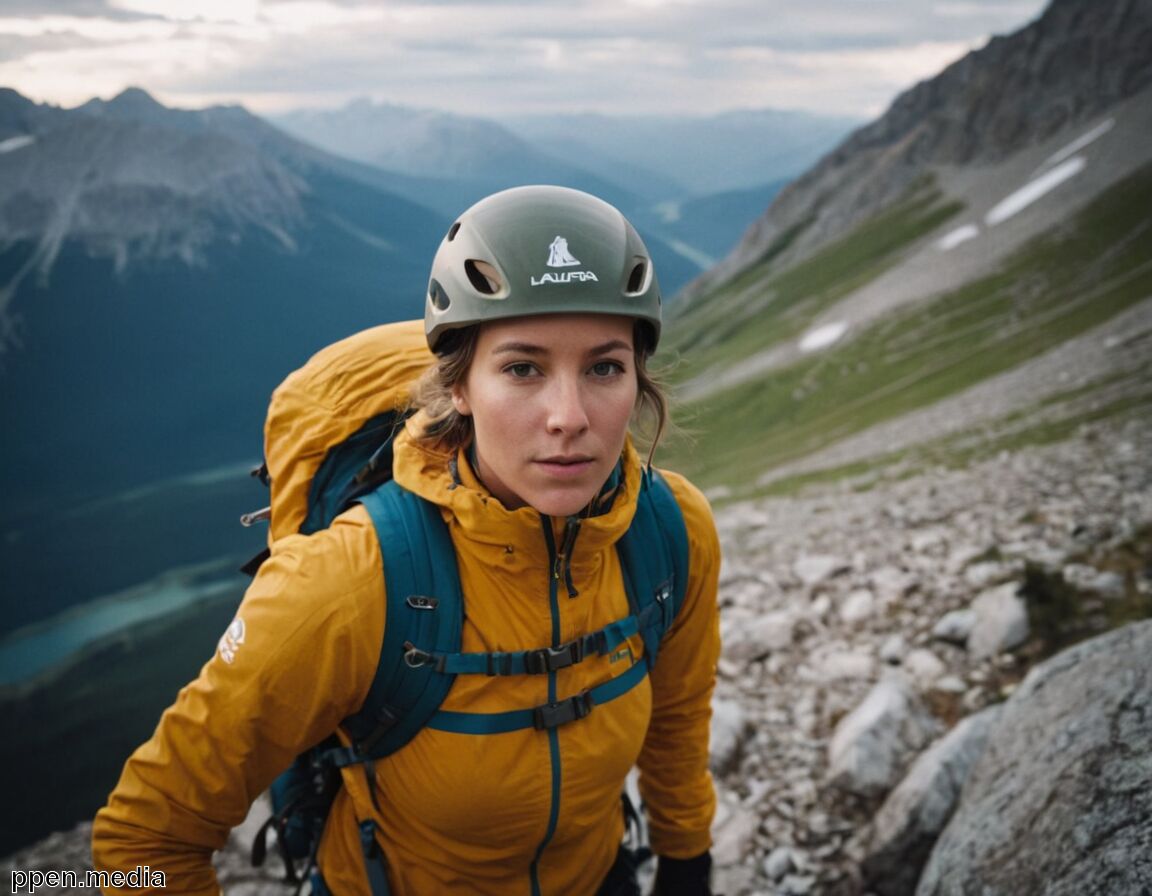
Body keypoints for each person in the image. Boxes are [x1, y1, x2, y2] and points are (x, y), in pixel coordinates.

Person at [91, 185, 722, 895]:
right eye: (521, 368)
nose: (568, 417)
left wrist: (686, 858)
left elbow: (677, 715)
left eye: (605, 367)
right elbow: (144, 836)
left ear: (637, 380)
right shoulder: (352, 579)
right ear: (457, 387)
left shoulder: (670, 530)